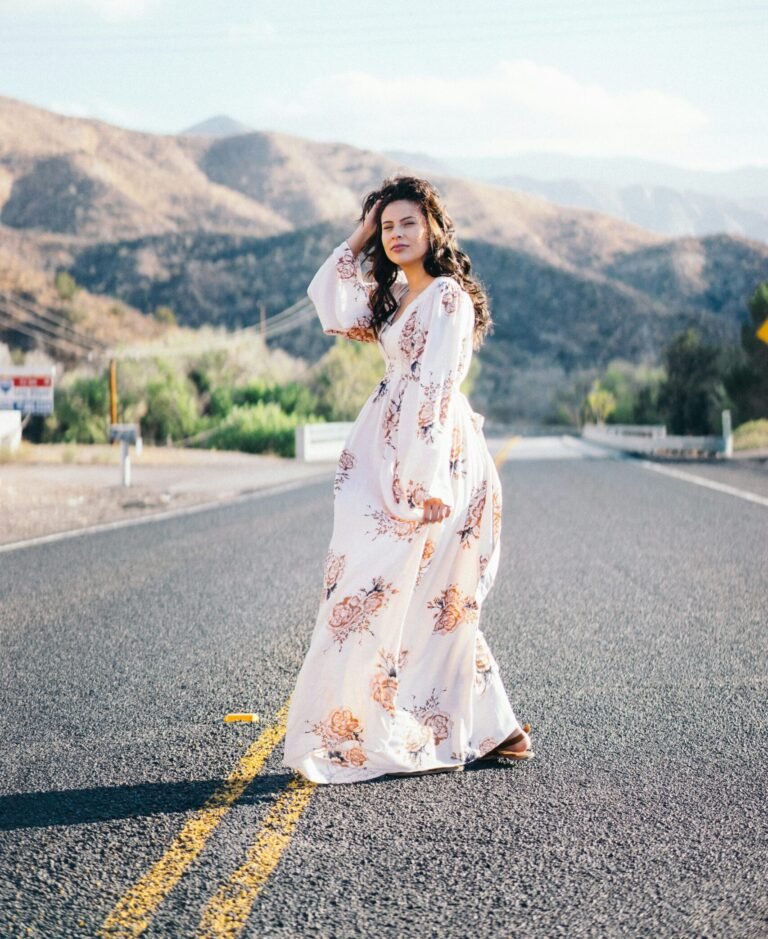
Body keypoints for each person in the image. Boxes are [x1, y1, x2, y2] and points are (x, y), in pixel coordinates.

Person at [282, 176, 532, 784]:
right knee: (410, 593)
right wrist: (360, 233)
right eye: (387, 227)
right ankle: (496, 727)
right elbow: (330, 303)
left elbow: (435, 389)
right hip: (387, 454)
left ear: (435, 230)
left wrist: (426, 482)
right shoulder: (392, 297)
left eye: (407, 224)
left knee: (410, 591)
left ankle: (457, 725)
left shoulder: (447, 298)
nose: (396, 235)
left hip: (435, 458)